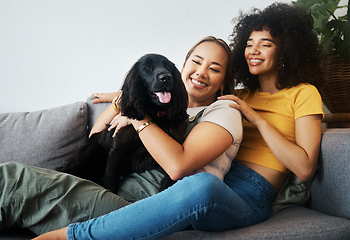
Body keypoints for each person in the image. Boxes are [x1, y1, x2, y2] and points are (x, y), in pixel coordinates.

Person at [34, 2, 324, 239]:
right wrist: (124, 94)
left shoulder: (303, 94)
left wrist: (258, 121)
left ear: (286, 49)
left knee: (201, 185)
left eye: (266, 43)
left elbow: (305, 167)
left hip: (250, 194)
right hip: (216, 182)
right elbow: (186, 84)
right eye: (249, 43)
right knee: (192, 183)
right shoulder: (238, 94)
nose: (253, 50)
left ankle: (74, 236)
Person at [0, 36, 243, 238]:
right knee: (13, 183)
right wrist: (121, 103)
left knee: (12, 178)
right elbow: (97, 137)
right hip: (110, 191)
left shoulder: (223, 110)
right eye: (196, 62)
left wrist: (138, 118)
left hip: (142, 208)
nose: (201, 72)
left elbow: (178, 167)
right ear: (182, 66)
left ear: (223, 81)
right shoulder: (156, 103)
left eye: (215, 68)